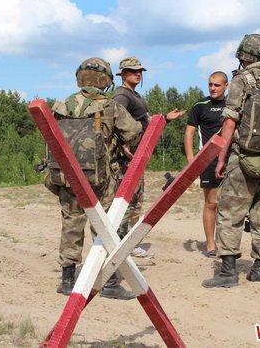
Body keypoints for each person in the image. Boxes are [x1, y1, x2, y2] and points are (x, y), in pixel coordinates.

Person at [202, 34, 260, 288]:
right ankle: (259, 268)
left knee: (230, 213)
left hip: (243, 158)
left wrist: (221, 159)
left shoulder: (242, 80)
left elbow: (230, 122)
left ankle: (228, 272)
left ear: (244, 57)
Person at [46, 57, 142, 299]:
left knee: (71, 223)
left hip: (66, 175)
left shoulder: (62, 105)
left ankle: (67, 280)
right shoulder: (109, 106)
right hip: (100, 177)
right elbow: (133, 132)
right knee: (105, 227)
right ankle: (109, 283)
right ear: (105, 80)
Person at [113, 56, 186, 257]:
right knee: (127, 201)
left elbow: (143, 123)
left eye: (139, 71)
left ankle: (126, 243)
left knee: (134, 200)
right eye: (132, 71)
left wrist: (165, 119)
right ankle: (121, 244)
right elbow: (114, 120)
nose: (137, 74)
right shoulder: (122, 96)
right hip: (126, 159)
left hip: (136, 157)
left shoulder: (133, 95)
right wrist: (122, 141)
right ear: (123, 74)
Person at [184, 72, 228, 257]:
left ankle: (227, 244)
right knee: (211, 203)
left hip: (232, 160)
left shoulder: (233, 105)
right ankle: (211, 245)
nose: (212, 88)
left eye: (217, 85)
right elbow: (189, 133)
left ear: (226, 86)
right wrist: (191, 160)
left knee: (230, 204)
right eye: (210, 84)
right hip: (208, 160)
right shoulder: (200, 105)